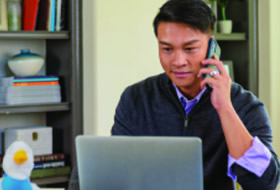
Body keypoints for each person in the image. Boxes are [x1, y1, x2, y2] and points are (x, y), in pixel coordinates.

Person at [111, 0, 280, 189]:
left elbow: (264, 184)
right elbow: (117, 171)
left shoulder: (245, 105)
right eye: (167, 49)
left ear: (211, 46)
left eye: (190, 49)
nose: (178, 61)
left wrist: (225, 108)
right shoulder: (136, 98)